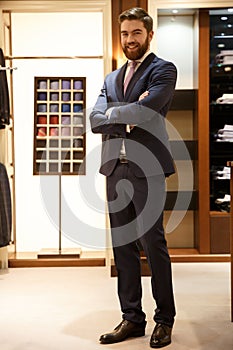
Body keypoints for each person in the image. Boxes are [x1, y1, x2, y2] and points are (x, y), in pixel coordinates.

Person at [90, 7, 177, 348]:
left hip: (148, 168)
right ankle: (132, 318)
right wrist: (125, 113)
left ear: (149, 35)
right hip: (116, 169)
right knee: (123, 247)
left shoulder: (163, 70)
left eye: (136, 33)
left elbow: (148, 109)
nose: (130, 40)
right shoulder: (111, 78)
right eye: (125, 34)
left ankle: (164, 320)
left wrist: (116, 112)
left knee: (153, 246)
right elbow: (96, 120)